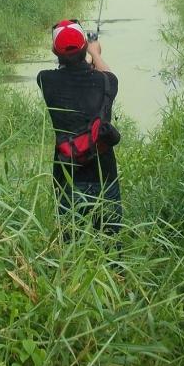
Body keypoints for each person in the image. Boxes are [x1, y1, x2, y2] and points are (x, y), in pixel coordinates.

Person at [37, 19, 122, 239]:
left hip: (67, 175)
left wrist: (86, 56)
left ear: (54, 51)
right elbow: (108, 75)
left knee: (71, 242)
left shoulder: (46, 80)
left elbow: (68, 73)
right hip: (105, 174)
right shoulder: (106, 83)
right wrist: (96, 54)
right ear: (85, 46)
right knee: (110, 241)